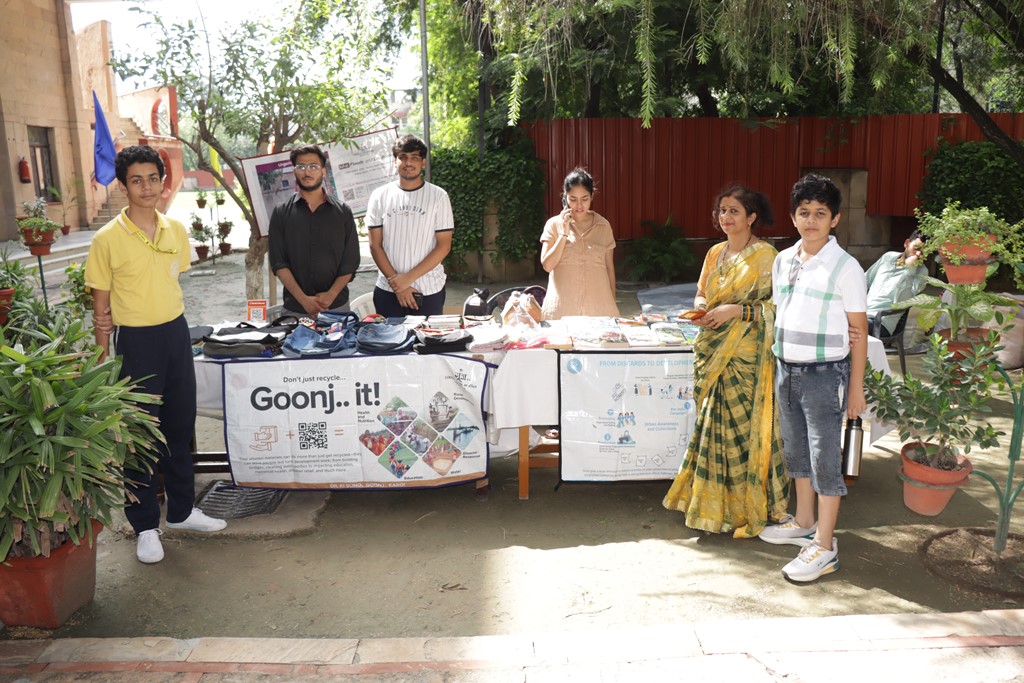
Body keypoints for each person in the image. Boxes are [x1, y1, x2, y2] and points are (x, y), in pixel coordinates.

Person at [86, 145, 226, 565]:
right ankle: (145, 525)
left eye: (152, 178)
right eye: (136, 180)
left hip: (176, 334)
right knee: (140, 436)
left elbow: (171, 280)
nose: (146, 187)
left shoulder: (175, 231)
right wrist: (100, 357)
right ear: (123, 185)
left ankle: (182, 511)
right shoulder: (107, 239)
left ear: (162, 182)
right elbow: (101, 309)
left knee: (179, 427)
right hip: (136, 342)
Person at [663, 186, 789, 538]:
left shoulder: (767, 257)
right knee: (712, 425)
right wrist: (702, 309)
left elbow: (777, 308)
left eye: (734, 210)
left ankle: (746, 506)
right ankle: (710, 505)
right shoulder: (715, 252)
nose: (726, 217)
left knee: (745, 431)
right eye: (722, 210)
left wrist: (735, 311)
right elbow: (702, 292)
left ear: (752, 217)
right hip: (713, 348)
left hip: (746, 357)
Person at [759, 173, 868, 583]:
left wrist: (855, 388)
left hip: (825, 375)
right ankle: (804, 521)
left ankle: (825, 544)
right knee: (796, 451)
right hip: (786, 368)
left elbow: (860, 331)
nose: (811, 220)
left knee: (824, 459)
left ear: (835, 219)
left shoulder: (846, 268)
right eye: (804, 212)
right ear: (793, 217)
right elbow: (784, 311)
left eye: (820, 213)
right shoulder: (783, 260)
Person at [366, 134, 454, 317]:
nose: (408, 162)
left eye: (415, 157)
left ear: (423, 162)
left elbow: (444, 246)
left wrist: (407, 280)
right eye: (402, 157)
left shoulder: (439, 196)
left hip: (429, 290)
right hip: (388, 289)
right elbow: (375, 245)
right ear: (394, 161)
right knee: (387, 336)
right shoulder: (379, 196)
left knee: (426, 336)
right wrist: (398, 284)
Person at [268, 145, 360, 319]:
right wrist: (304, 300)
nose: (307, 172)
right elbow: (279, 263)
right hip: (295, 309)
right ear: (294, 171)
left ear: (323, 171)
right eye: (301, 167)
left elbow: (350, 262)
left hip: (337, 307)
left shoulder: (343, 212)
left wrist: (330, 295)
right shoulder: (280, 213)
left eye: (313, 166)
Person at [539, 168, 619, 320]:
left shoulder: (603, 226)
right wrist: (563, 233)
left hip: (599, 311)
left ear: (592, 196)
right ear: (565, 197)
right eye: (573, 199)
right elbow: (547, 266)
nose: (579, 205)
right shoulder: (553, 225)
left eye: (584, 199)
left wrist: (612, 304)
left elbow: (609, 268)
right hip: (560, 313)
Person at [865, 230, 927, 334]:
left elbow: (903, 302)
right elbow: (865, 280)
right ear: (907, 243)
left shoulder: (922, 273)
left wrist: (910, 270)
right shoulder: (888, 257)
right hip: (861, 314)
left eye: (924, 252)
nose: (919, 254)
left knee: (845, 325)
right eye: (916, 248)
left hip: (881, 323)